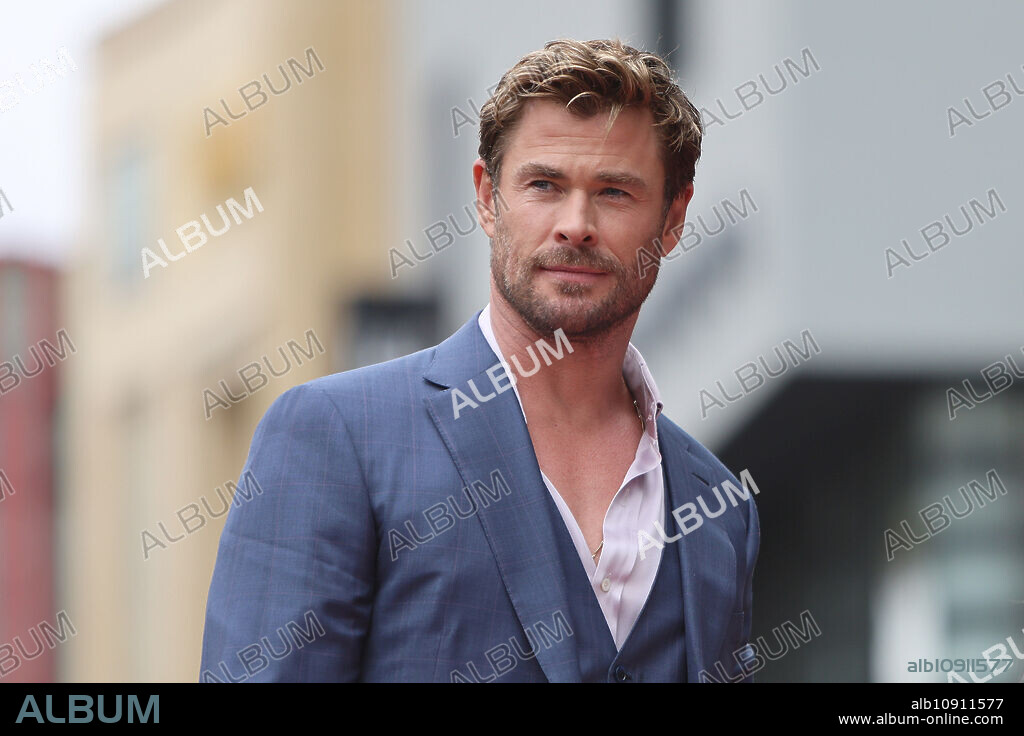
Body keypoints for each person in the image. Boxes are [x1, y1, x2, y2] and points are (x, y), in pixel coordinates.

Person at [200, 37, 760, 683]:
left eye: (614, 192)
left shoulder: (720, 504)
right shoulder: (336, 435)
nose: (575, 224)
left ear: (674, 218)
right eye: (544, 184)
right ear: (487, 198)